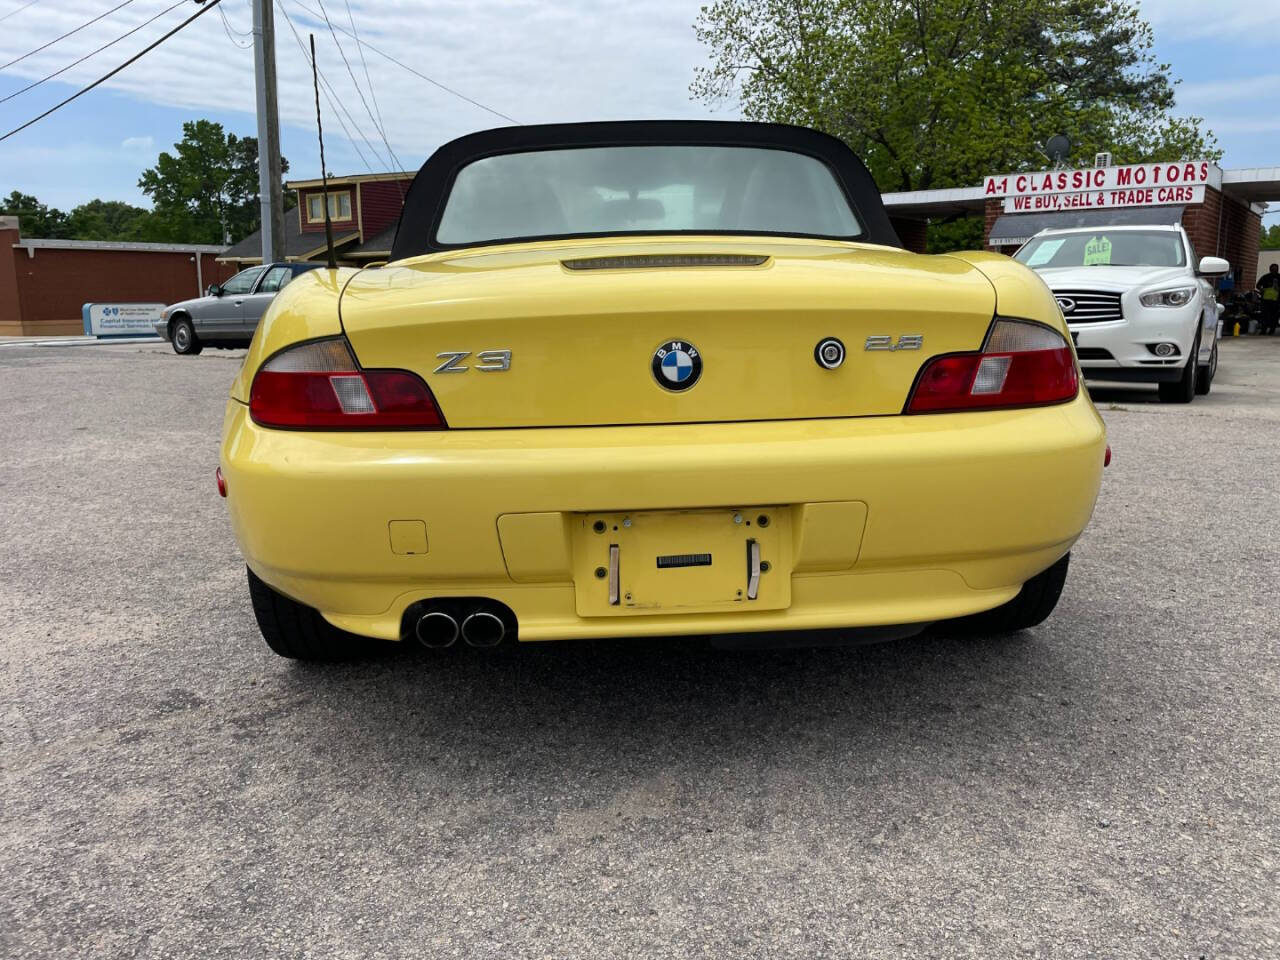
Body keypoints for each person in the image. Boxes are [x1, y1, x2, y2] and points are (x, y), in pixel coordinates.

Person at [1257, 263, 1280, 335]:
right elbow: (1258, 285)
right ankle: (1263, 330)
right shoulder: (1265, 277)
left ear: (1278, 270)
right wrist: (1261, 289)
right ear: (1270, 270)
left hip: (1276, 300)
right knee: (1264, 315)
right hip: (1265, 299)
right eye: (1273, 270)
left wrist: (1278, 288)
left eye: (1276, 270)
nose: (1274, 271)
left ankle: (1272, 330)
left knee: (1274, 315)